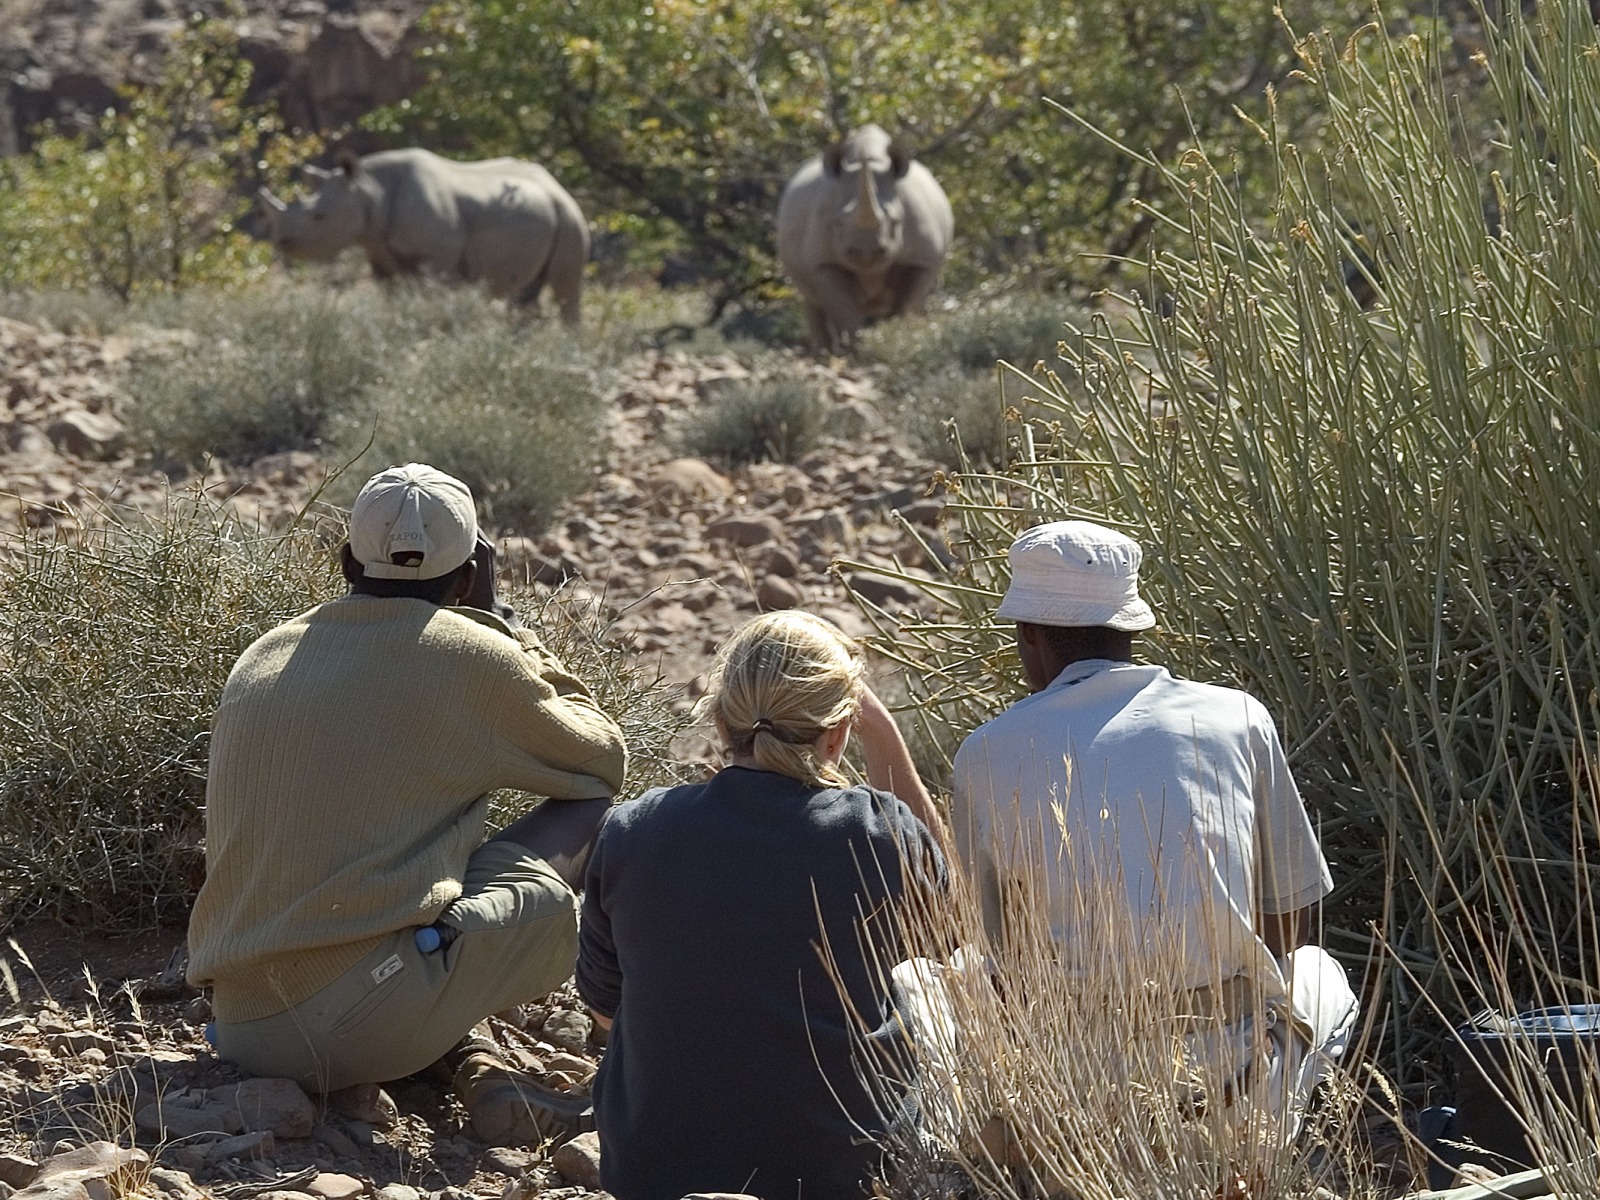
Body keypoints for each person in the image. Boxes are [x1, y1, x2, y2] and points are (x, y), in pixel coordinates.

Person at [187, 463, 627, 1144]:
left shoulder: (262, 654)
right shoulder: (469, 654)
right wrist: (503, 626)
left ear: (344, 561)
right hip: (355, 1028)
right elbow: (603, 758)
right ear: (469, 575)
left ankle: (465, 1053)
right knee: (591, 812)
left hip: (240, 1024)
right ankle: (594, 1052)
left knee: (411, 882)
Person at [950, 519, 1357, 1130]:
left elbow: (995, 948)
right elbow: (1287, 918)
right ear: (1131, 623)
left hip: (1082, 1094)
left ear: (1029, 632)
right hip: (1235, 1092)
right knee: (1318, 970)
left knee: (945, 976)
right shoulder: (1238, 718)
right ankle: (1272, 1159)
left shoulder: (988, 752)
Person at [576, 611, 945, 1200]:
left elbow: (606, 1011)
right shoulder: (879, 833)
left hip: (655, 1175)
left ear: (720, 719)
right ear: (837, 733)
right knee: (933, 994)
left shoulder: (633, 830)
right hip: (839, 1179)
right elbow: (941, 924)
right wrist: (879, 730)